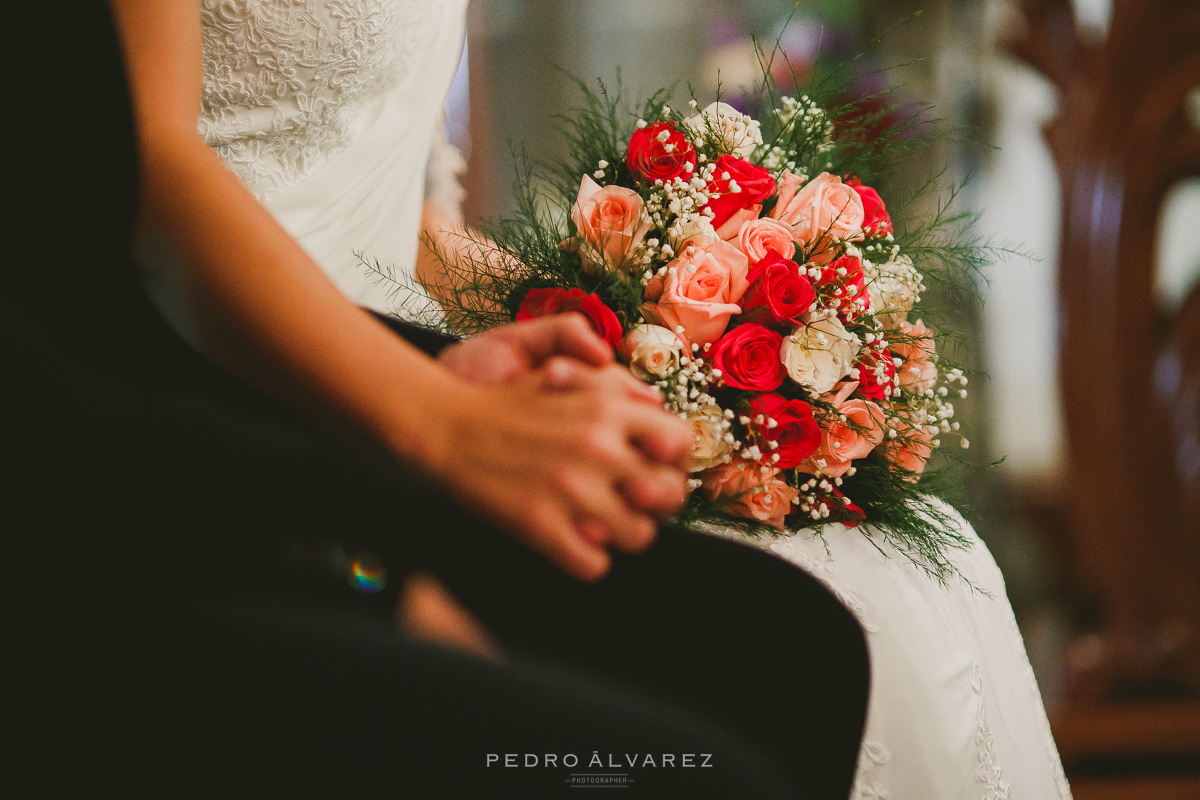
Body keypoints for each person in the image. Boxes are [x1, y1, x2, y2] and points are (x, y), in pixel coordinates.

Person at [7, 2, 875, 796]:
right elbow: (138, 173)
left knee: (802, 647)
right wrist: (429, 435)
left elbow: (419, 231)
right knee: (717, 742)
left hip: (359, 346)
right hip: (185, 365)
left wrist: (667, 324)